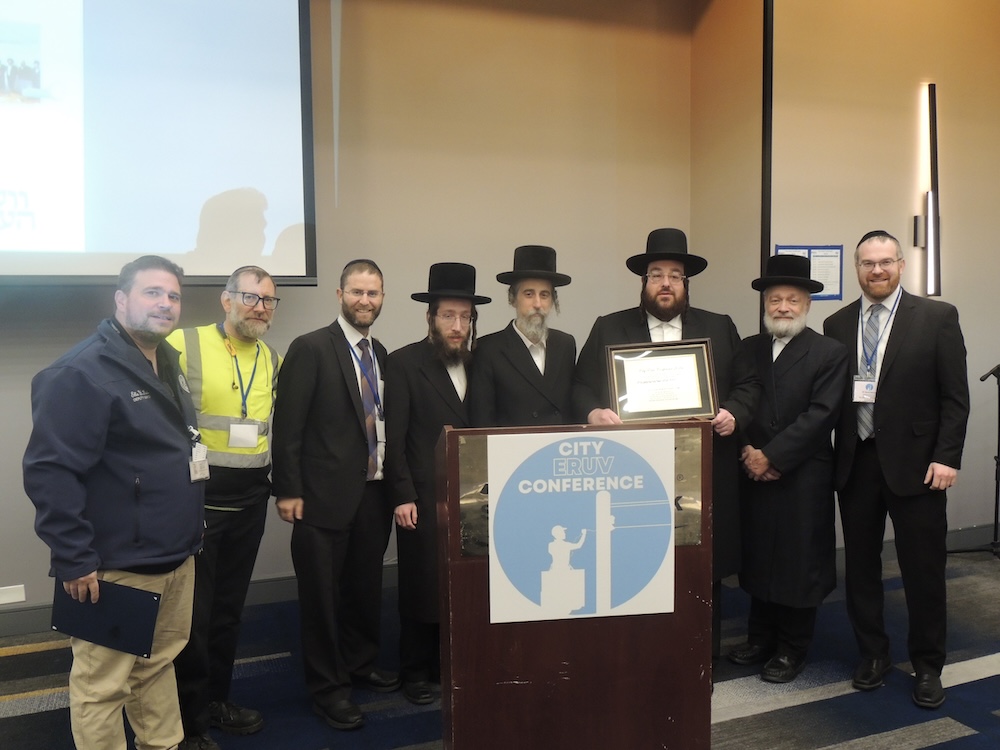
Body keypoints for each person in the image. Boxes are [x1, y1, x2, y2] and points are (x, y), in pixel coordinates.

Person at [23, 255, 205, 750]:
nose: (165, 304)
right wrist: (74, 557)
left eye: (173, 296)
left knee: (157, 665)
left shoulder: (165, 361)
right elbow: (50, 472)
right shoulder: (80, 372)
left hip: (174, 556)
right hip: (114, 566)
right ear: (121, 299)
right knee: (102, 686)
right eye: (152, 292)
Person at [572, 227, 758, 657]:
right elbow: (580, 387)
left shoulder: (719, 326)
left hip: (703, 467)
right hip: (633, 470)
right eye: (657, 274)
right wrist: (594, 413)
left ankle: (702, 659)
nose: (666, 283)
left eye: (675, 275)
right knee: (635, 562)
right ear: (644, 282)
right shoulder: (609, 327)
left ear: (686, 284)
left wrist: (734, 411)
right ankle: (641, 658)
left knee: (702, 565)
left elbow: (748, 385)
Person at [824, 230, 969, 709]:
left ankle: (928, 665)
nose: (877, 270)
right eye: (868, 263)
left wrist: (947, 456)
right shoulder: (835, 323)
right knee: (860, 568)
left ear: (901, 265)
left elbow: (955, 397)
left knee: (923, 570)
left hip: (919, 465)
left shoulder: (936, 317)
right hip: (856, 463)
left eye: (885, 261)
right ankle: (873, 654)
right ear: (857, 269)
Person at [272, 258, 399, 732]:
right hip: (320, 498)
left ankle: (360, 664)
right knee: (322, 600)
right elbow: (288, 427)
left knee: (364, 590)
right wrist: (287, 490)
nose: (365, 301)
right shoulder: (310, 348)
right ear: (340, 294)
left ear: (382, 298)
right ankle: (328, 690)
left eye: (373, 293)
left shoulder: (379, 352)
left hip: (372, 494)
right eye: (357, 292)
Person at [168, 266, 282, 750]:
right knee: (193, 617)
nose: (259, 307)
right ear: (226, 299)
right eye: (250, 297)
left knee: (229, 612)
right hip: (199, 502)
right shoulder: (182, 342)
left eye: (268, 300)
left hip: (250, 502)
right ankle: (189, 723)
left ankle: (216, 700)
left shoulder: (271, 358)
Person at [726, 255, 847, 683]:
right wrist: (747, 451)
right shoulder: (748, 348)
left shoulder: (829, 352)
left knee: (798, 561)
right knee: (759, 555)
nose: (783, 307)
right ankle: (760, 638)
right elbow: (736, 402)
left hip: (802, 473)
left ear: (807, 304)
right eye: (775, 299)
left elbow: (822, 414)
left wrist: (773, 456)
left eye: (792, 300)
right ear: (765, 304)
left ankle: (792, 648)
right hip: (753, 468)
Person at [385, 262, 491, 705]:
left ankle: (450, 663)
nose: (457, 326)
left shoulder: (482, 362)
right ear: (430, 317)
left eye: (465, 317)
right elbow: (395, 439)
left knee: (467, 582)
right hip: (423, 497)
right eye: (448, 316)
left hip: (474, 496)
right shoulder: (403, 363)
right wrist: (402, 495)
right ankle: (415, 669)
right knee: (422, 582)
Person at [468, 245, 575, 427]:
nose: (537, 304)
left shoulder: (565, 344)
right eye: (528, 294)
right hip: (512, 444)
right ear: (512, 299)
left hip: (558, 444)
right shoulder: (488, 349)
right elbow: (482, 420)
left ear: (553, 301)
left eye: (544, 295)